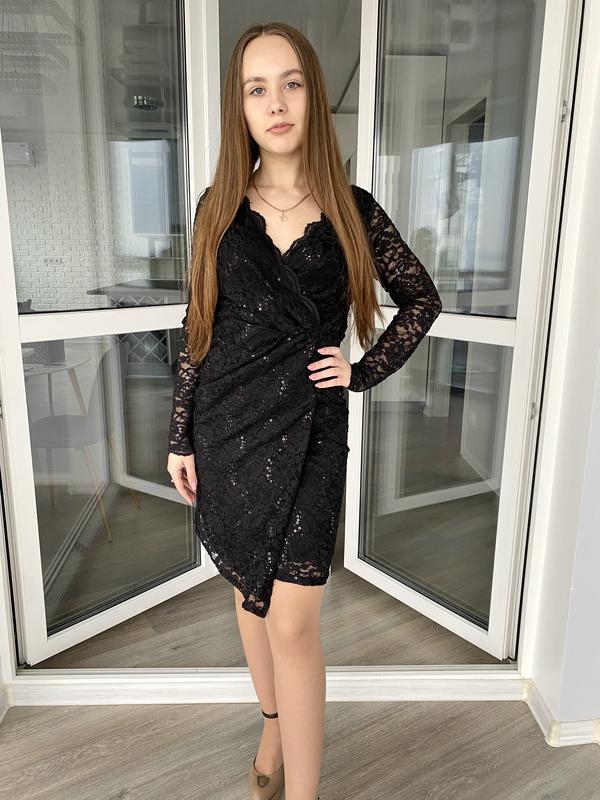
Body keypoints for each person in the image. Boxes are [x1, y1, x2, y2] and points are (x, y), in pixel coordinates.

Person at [166, 21, 442, 800]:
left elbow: (421, 300)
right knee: (248, 588)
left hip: (314, 431)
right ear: (240, 107)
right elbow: (198, 326)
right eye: (257, 88)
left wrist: (361, 370)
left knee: (293, 620)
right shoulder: (219, 208)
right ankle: (272, 723)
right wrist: (181, 434)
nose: (276, 102)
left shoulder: (352, 209)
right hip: (228, 427)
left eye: (290, 83)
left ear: (312, 95)